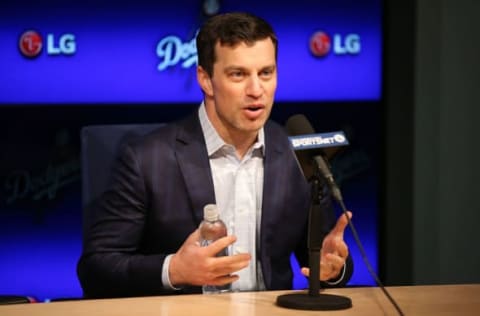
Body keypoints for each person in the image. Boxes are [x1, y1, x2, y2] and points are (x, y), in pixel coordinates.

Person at [77, 11, 353, 298]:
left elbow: (323, 259)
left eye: (266, 73)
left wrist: (334, 269)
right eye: (238, 74)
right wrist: (175, 270)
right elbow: (96, 268)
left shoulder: (297, 154)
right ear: (206, 80)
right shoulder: (147, 159)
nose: (256, 90)